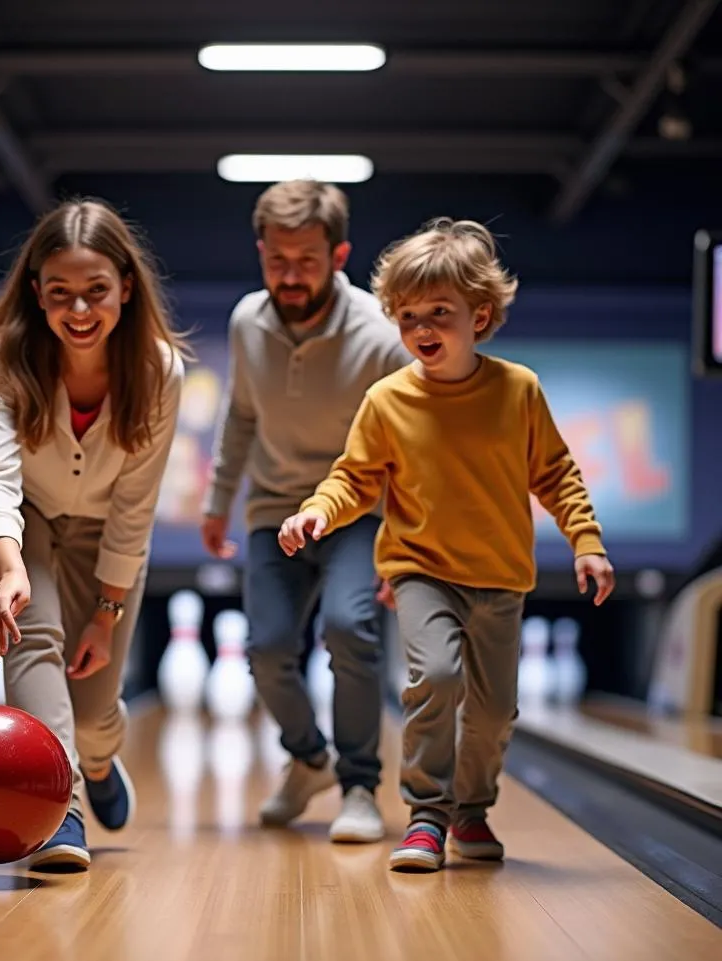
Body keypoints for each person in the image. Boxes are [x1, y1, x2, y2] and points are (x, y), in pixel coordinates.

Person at [279, 217, 615, 871]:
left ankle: (471, 810)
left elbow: (556, 475)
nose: (423, 329)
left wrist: (587, 542)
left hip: (501, 578)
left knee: (491, 714)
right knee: (434, 679)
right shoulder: (388, 399)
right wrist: (317, 512)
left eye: (440, 313)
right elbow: (354, 478)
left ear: (480, 314)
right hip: (420, 571)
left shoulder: (518, 391)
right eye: (408, 317)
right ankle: (426, 815)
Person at [0, 198, 188, 869]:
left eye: (95, 293)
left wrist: (107, 615)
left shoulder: (159, 370)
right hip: (21, 522)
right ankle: (62, 812)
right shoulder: (1, 357)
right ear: (36, 293)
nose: (79, 312)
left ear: (126, 289)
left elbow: (136, 505)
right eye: (61, 295)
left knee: (91, 711)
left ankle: (101, 761)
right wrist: (10, 570)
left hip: (106, 533)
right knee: (35, 644)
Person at [201, 180, 409, 843]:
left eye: (307, 262)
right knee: (264, 650)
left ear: (339, 253)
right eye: (276, 261)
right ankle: (309, 758)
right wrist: (216, 504)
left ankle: (357, 787)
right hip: (272, 507)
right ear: (261, 251)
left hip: (358, 510)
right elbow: (239, 416)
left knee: (351, 631)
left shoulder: (380, 334)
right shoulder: (245, 321)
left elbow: (412, 446)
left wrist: (406, 543)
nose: (290, 277)